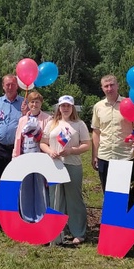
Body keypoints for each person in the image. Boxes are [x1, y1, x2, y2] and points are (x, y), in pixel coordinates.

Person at [40, 95, 91, 245]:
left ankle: (78, 233)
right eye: (63, 106)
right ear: (59, 107)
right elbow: (43, 143)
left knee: (74, 199)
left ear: (73, 107)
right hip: (55, 165)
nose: (65, 108)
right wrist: (50, 152)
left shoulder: (79, 124)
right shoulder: (52, 123)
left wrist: (72, 150)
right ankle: (57, 230)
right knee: (55, 198)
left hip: (72, 165)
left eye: (68, 106)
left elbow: (86, 145)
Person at [91, 75, 134, 207]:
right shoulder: (98, 107)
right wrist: (94, 155)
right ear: (102, 88)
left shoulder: (129, 104)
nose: (109, 88)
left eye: (112, 85)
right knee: (108, 194)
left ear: (118, 86)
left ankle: (128, 226)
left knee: (128, 195)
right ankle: (111, 226)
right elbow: (96, 132)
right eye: (106, 86)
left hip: (125, 156)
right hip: (105, 156)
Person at [0, 74, 25, 225]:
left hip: (18, 149)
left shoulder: (24, 103)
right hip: (0, 148)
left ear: (17, 86)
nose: (10, 87)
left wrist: (26, 112)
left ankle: (17, 214)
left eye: (13, 84)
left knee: (17, 181)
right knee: (0, 181)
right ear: (3, 86)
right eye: (7, 84)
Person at [13, 91, 52, 223]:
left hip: (41, 158)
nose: (34, 104)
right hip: (25, 158)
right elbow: (18, 140)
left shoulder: (48, 119)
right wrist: (15, 158)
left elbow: (49, 140)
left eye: (37, 102)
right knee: (25, 187)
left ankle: (41, 217)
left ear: (41, 103)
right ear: (28, 104)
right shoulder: (22, 120)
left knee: (40, 188)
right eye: (31, 102)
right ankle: (27, 217)